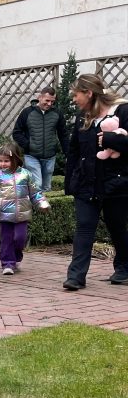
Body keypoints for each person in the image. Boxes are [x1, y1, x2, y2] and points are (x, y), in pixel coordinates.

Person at [63, 74, 128, 291]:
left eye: (76, 95)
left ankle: (124, 267)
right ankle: (76, 276)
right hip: (86, 183)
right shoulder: (83, 117)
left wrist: (109, 139)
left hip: (115, 184)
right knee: (84, 227)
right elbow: (74, 150)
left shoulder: (122, 111)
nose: (74, 99)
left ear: (89, 93)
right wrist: (70, 182)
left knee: (117, 227)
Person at [0, 143, 49, 275]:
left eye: (6, 161)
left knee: (20, 238)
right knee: (6, 239)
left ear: (15, 159)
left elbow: (35, 192)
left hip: (22, 215)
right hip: (4, 215)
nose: (3, 164)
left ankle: (16, 257)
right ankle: (7, 263)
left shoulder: (26, 175)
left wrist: (42, 202)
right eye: (0, 161)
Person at [12, 85, 69, 193]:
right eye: (47, 100)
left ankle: (44, 204)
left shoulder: (57, 113)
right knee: (37, 185)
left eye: (52, 101)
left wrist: (68, 154)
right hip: (31, 156)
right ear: (39, 97)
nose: (49, 104)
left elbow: (63, 135)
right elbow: (16, 133)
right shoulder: (27, 112)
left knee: (47, 188)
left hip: (50, 157)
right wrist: (28, 145)